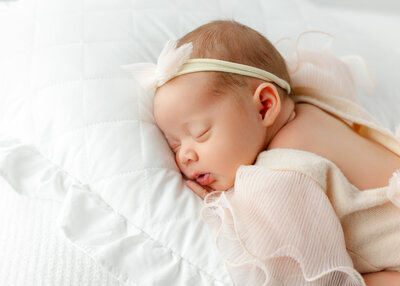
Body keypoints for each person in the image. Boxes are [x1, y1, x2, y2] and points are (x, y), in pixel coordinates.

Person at [123, 20, 400, 286]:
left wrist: (228, 206)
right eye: (174, 145)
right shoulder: (311, 100)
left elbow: (311, 274)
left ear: (265, 107)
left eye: (200, 133)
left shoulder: (279, 176)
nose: (185, 156)